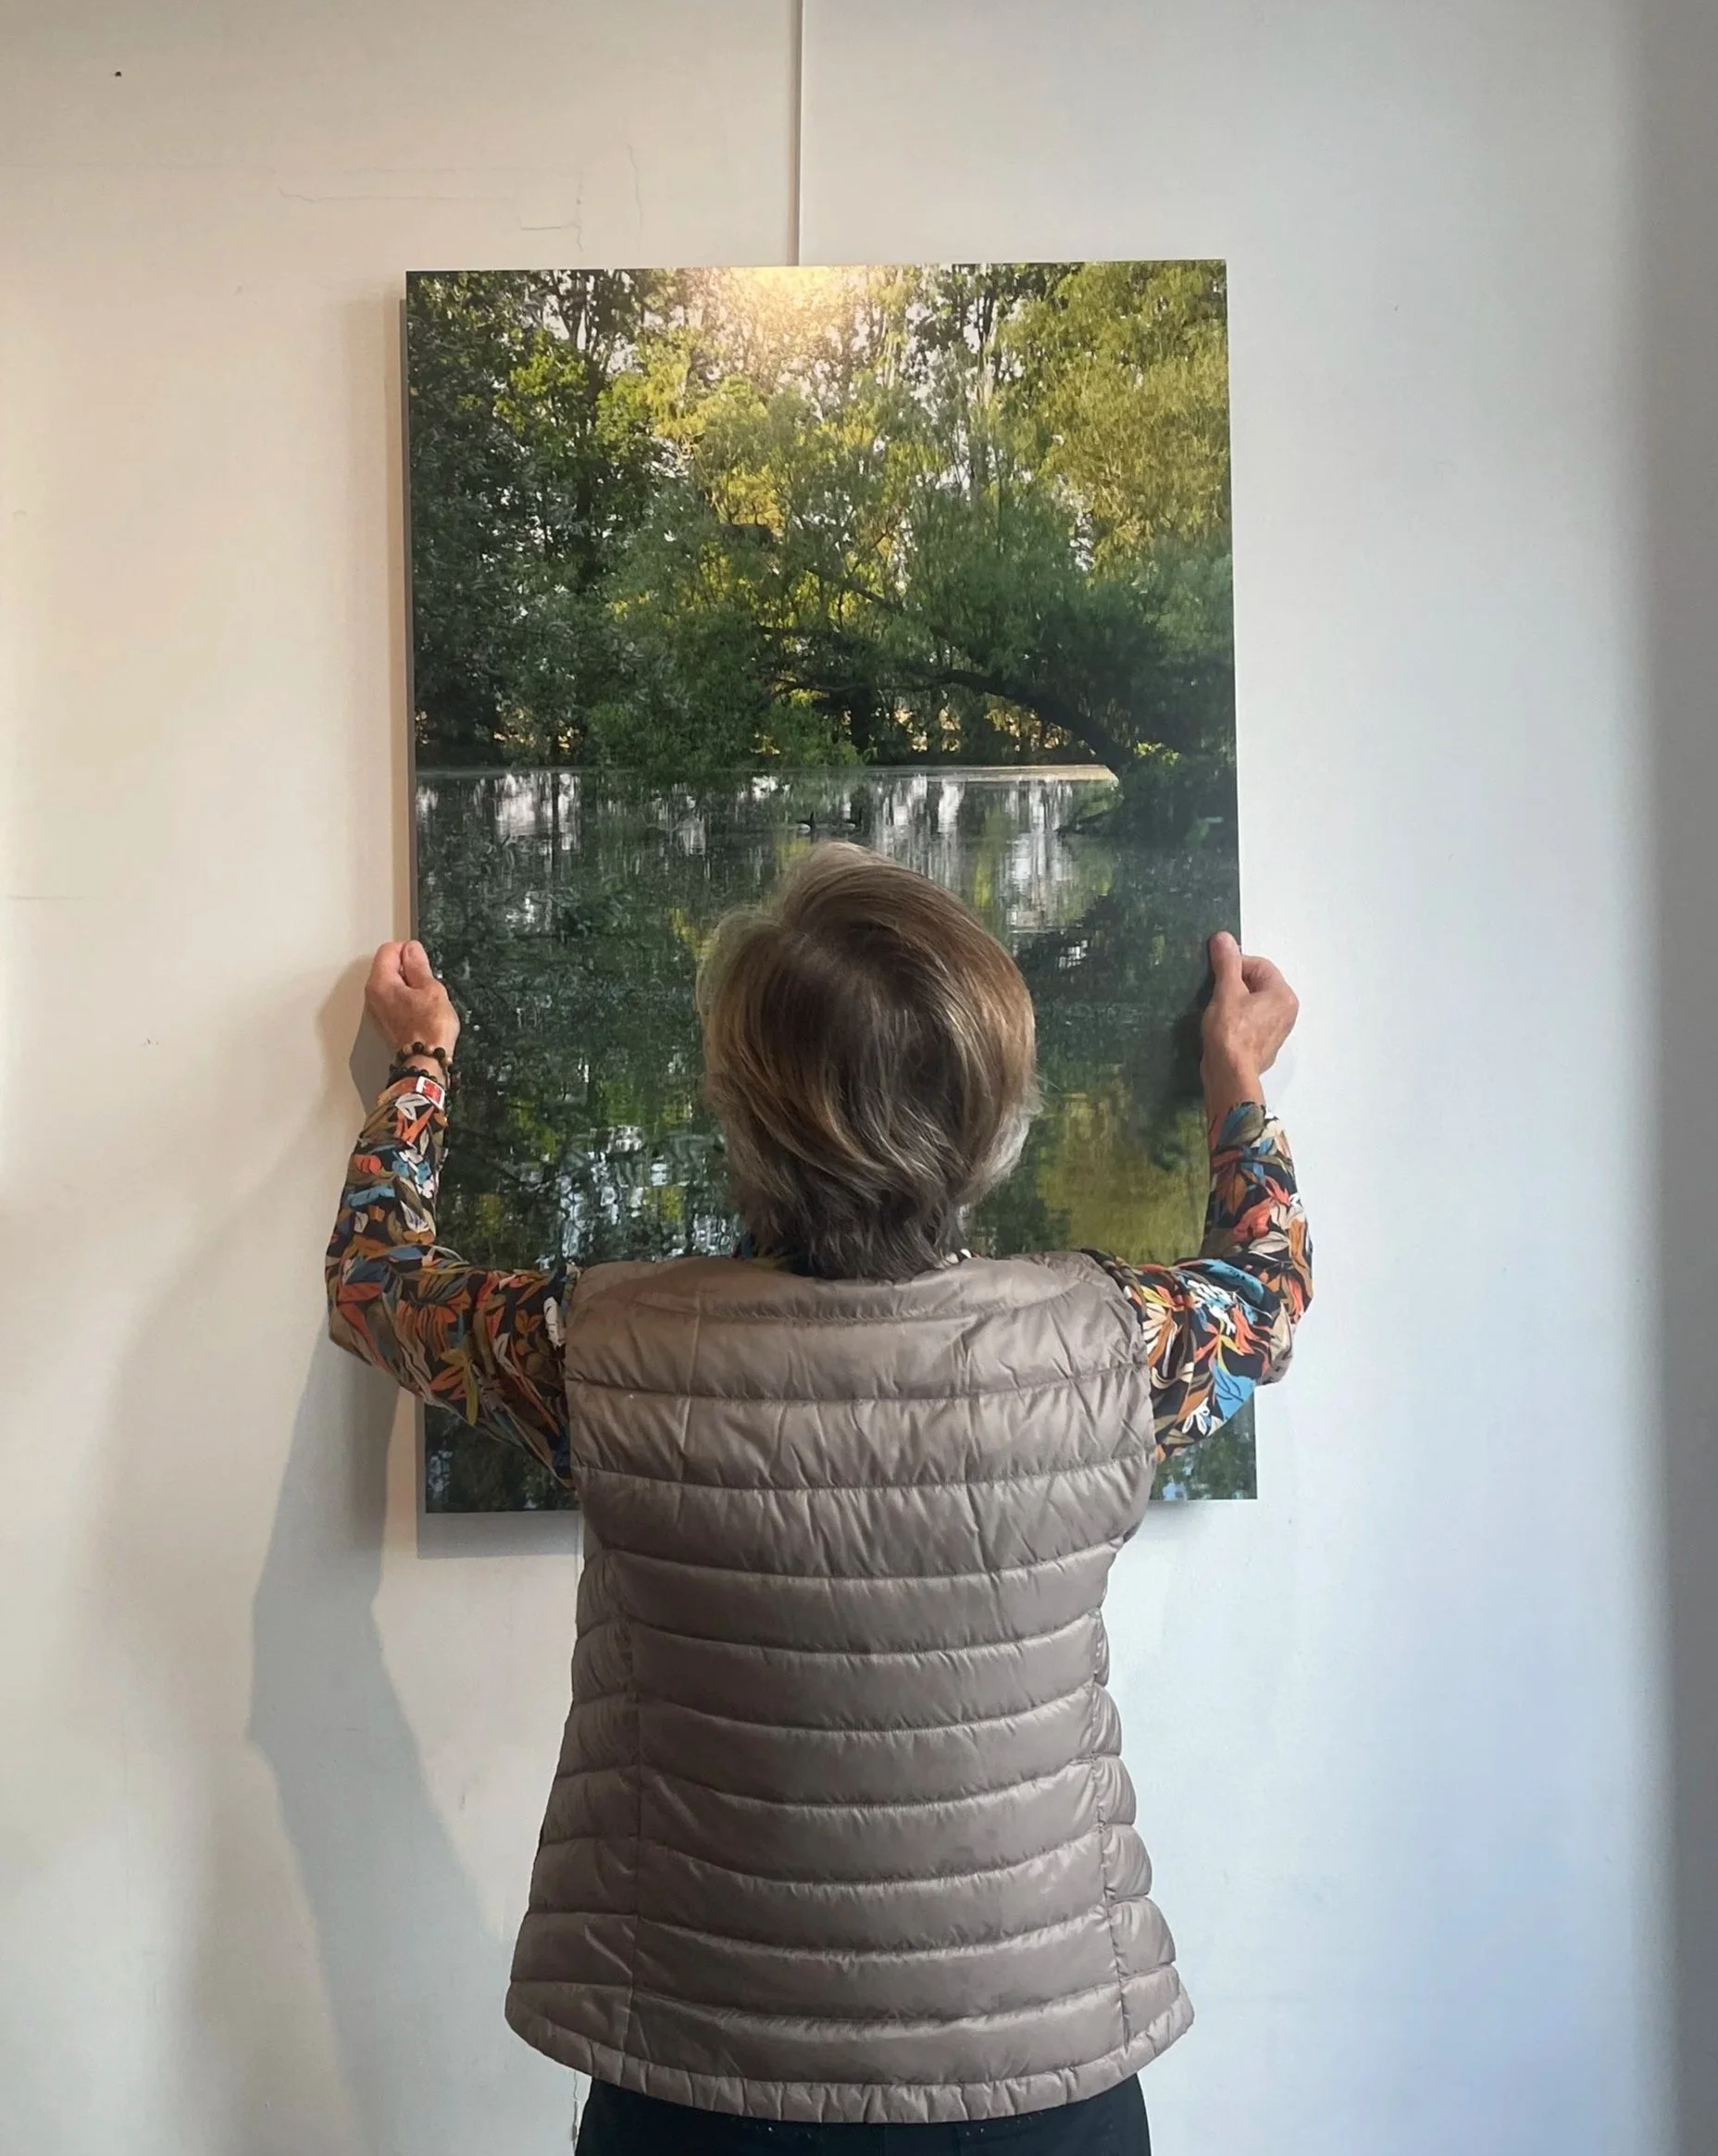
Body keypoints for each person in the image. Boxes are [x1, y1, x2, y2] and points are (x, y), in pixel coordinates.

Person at [327, 845, 1310, 2155]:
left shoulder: (601, 1351)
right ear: (994, 1110)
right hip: (1044, 2076)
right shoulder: (1112, 1350)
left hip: (696, 2079)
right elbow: (1268, 1285)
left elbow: (377, 1285)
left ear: (742, 1110)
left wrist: (421, 1063)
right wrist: (1237, 1076)